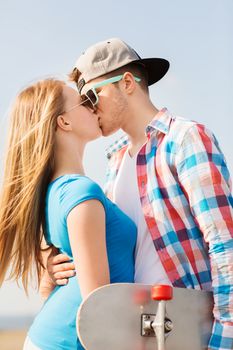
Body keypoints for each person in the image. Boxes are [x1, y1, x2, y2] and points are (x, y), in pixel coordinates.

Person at [46, 38, 233, 349]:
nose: (90, 108)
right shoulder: (114, 161)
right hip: (134, 332)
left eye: (93, 95)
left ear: (128, 83)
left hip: (185, 329)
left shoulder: (186, 139)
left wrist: (224, 338)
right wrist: (58, 266)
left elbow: (224, 243)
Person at [0, 78, 137, 349]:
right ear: (64, 122)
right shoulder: (80, 192)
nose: (95, 107)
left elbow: (48, 286)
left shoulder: (59, 191)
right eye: (85, 102)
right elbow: (97, 306)